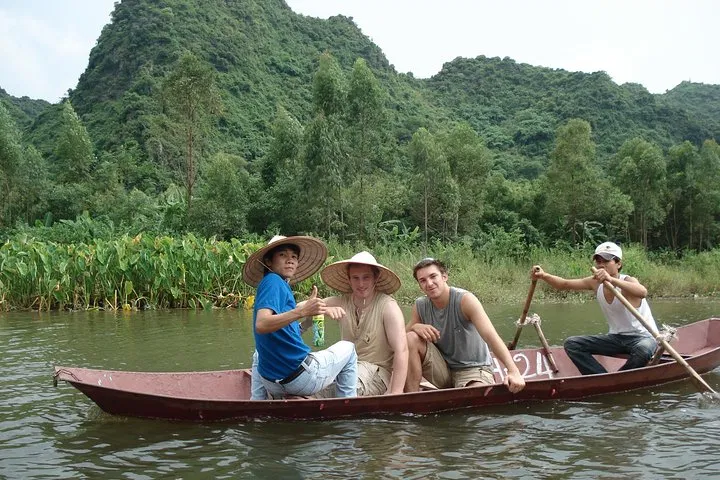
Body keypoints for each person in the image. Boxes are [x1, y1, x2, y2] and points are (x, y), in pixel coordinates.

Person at [243, 235, 357, 400]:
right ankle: (348, 406)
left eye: (294, 257)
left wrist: (308, 321)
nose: (290, 260)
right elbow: (262, 324)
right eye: (282, 255)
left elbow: (285, 333)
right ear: (268, 261)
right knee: (349, 348)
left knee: (257, 354)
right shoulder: (273, 281)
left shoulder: (277, 285)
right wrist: (302, 311)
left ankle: (257, 402)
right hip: (302, 378)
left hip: (271, 383)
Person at [531, 241, 658, 375]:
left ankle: (617, 379)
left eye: (606, 261)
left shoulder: (627, 281)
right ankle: (601, 377)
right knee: (572, 344)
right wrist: (543, 275)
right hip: (616, 338)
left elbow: (642, 292)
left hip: (643, 338)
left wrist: (611, 280)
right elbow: (564, 284)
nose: (601, 264)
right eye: (598, 261)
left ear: (618, 264)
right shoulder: (595, 283)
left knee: (643, 350)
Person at [405, 258, 525, 393]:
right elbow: (401, 340)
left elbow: (490, 336)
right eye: (423, 280)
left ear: (444, 277)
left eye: (433, 276)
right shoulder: (421, 305)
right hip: (444, 371)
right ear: (420, 285)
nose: (429, 283)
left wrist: (513, 371)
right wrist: (415, 326)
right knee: (410, 338)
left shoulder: (465, 300)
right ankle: (411, 398)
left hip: (473, 370)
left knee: (475, 397)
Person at [316, 251, 408, 396]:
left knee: (345, 386)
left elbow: (402, 350)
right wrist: (324, 309)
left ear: (375, 278)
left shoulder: (388, 306)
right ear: (349, 279)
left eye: (366, 277)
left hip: (377, 372)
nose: (361, 284)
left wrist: (395, 392)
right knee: (311, 383)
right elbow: (301, 308)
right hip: (345, 367)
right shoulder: (342, 302)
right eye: (355, 278)